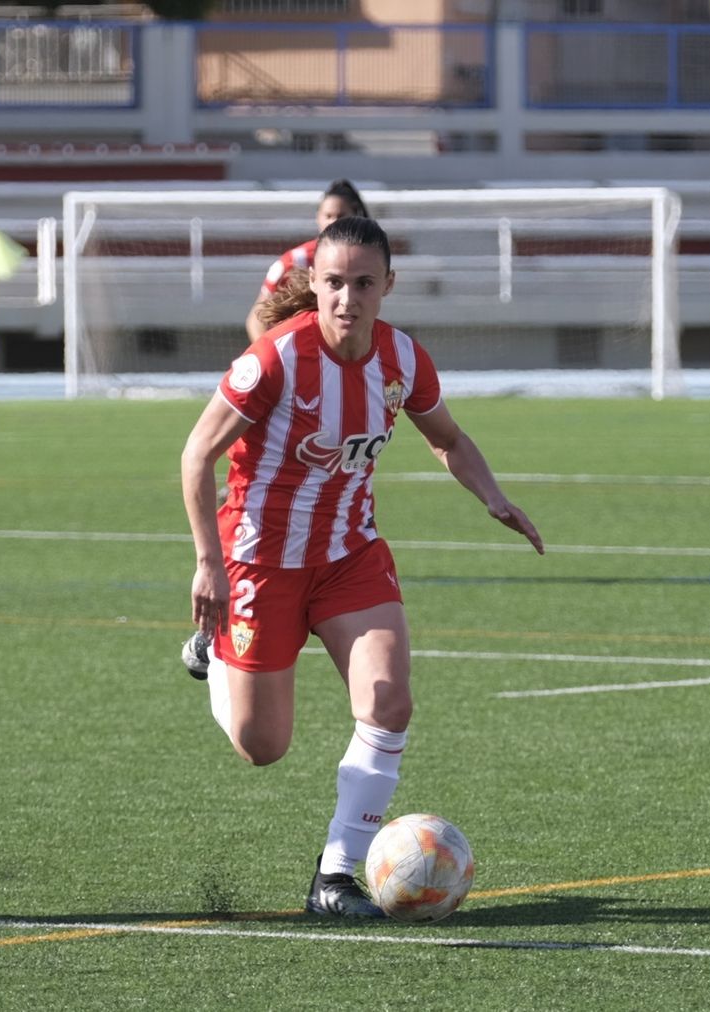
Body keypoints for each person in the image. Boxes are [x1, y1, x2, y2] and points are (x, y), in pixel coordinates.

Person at [179, 216, 543, 918]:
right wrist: (209, 564)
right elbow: (197, 456)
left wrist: (492, 496)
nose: (348, 297)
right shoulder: (274, 361)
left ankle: (335, 876)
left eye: (364, 283)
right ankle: (212, 650)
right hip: (260, 563)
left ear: (387, 287)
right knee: (263, 747)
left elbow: (448, 438)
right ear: (314, 284)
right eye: (335, 283)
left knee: (388, 700)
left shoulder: (403, 359)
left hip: (350, 556)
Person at [244, 180, 370, 344]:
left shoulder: (368, 261)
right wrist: (272, 359)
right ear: (318, 218)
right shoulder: (295, 261)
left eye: (341, 216)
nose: (333, 222)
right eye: (328, 216)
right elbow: (256, 320)